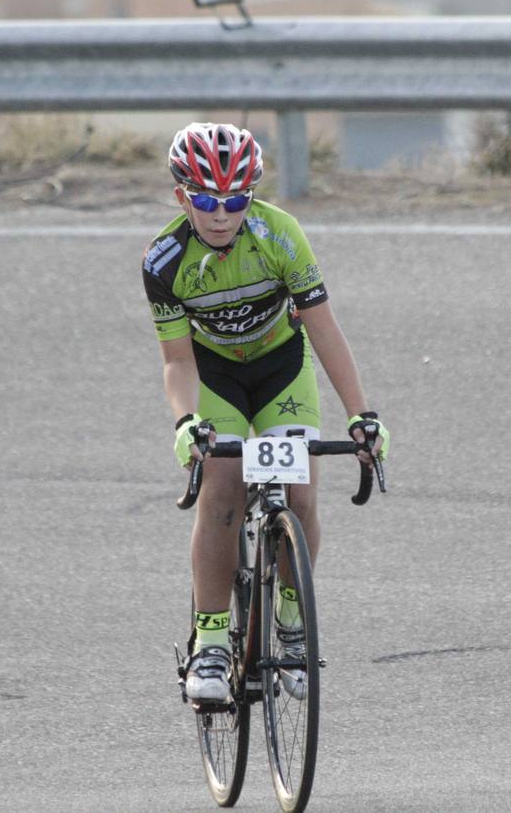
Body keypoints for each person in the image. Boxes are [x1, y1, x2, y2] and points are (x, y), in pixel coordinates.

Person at [142, 122, 390, 704]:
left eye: (235, 201)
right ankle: (210, 641)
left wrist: (362, 415)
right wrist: (186, 424)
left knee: (299, 491)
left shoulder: (282, 236)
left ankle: (293, 623)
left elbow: (325, 331)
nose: (221, 214)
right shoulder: (163, 261)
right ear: (183, 197)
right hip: (216, 376)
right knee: (223, 489)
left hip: (282, 365)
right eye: (206, 201)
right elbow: (177, 361)